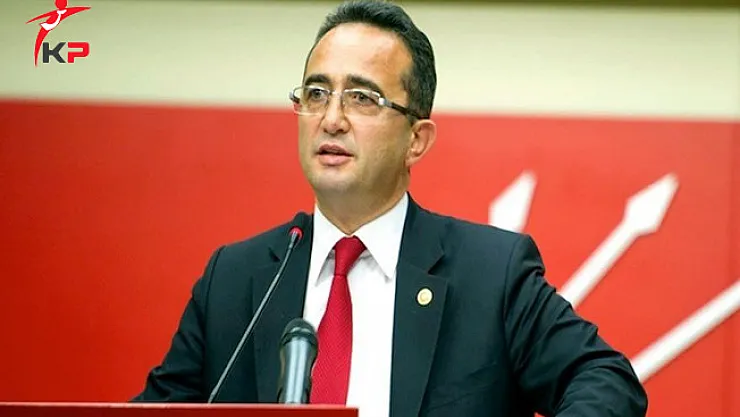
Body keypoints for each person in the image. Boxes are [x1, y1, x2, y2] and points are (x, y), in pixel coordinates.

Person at [132, 1, 648, 416]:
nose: (332, 119)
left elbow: (605, 381)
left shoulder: (491, 276)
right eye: (316, 93)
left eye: (363, 98)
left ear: (416, 140)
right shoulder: (234, 277)